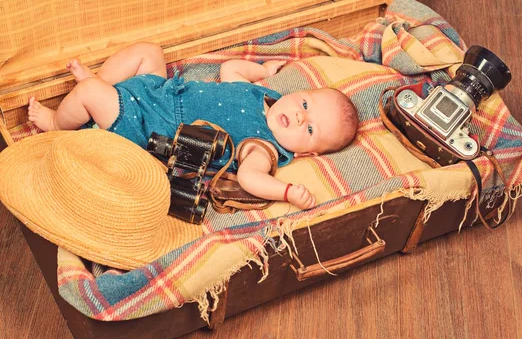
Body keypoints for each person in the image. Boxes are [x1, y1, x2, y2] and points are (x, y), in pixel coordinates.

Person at [28, 42, 358, 210]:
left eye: (310, 129)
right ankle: (102, 87)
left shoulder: (264, 147)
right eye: (304, 104)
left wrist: (287, 192)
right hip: (165, 91)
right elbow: (230, 71)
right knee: (148, 52)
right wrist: (264, 70)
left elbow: (249, 177)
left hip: (153, 125)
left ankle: (58, 122)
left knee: (89, 94)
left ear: (308, 151)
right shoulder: (268, 97)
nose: (300, 117)